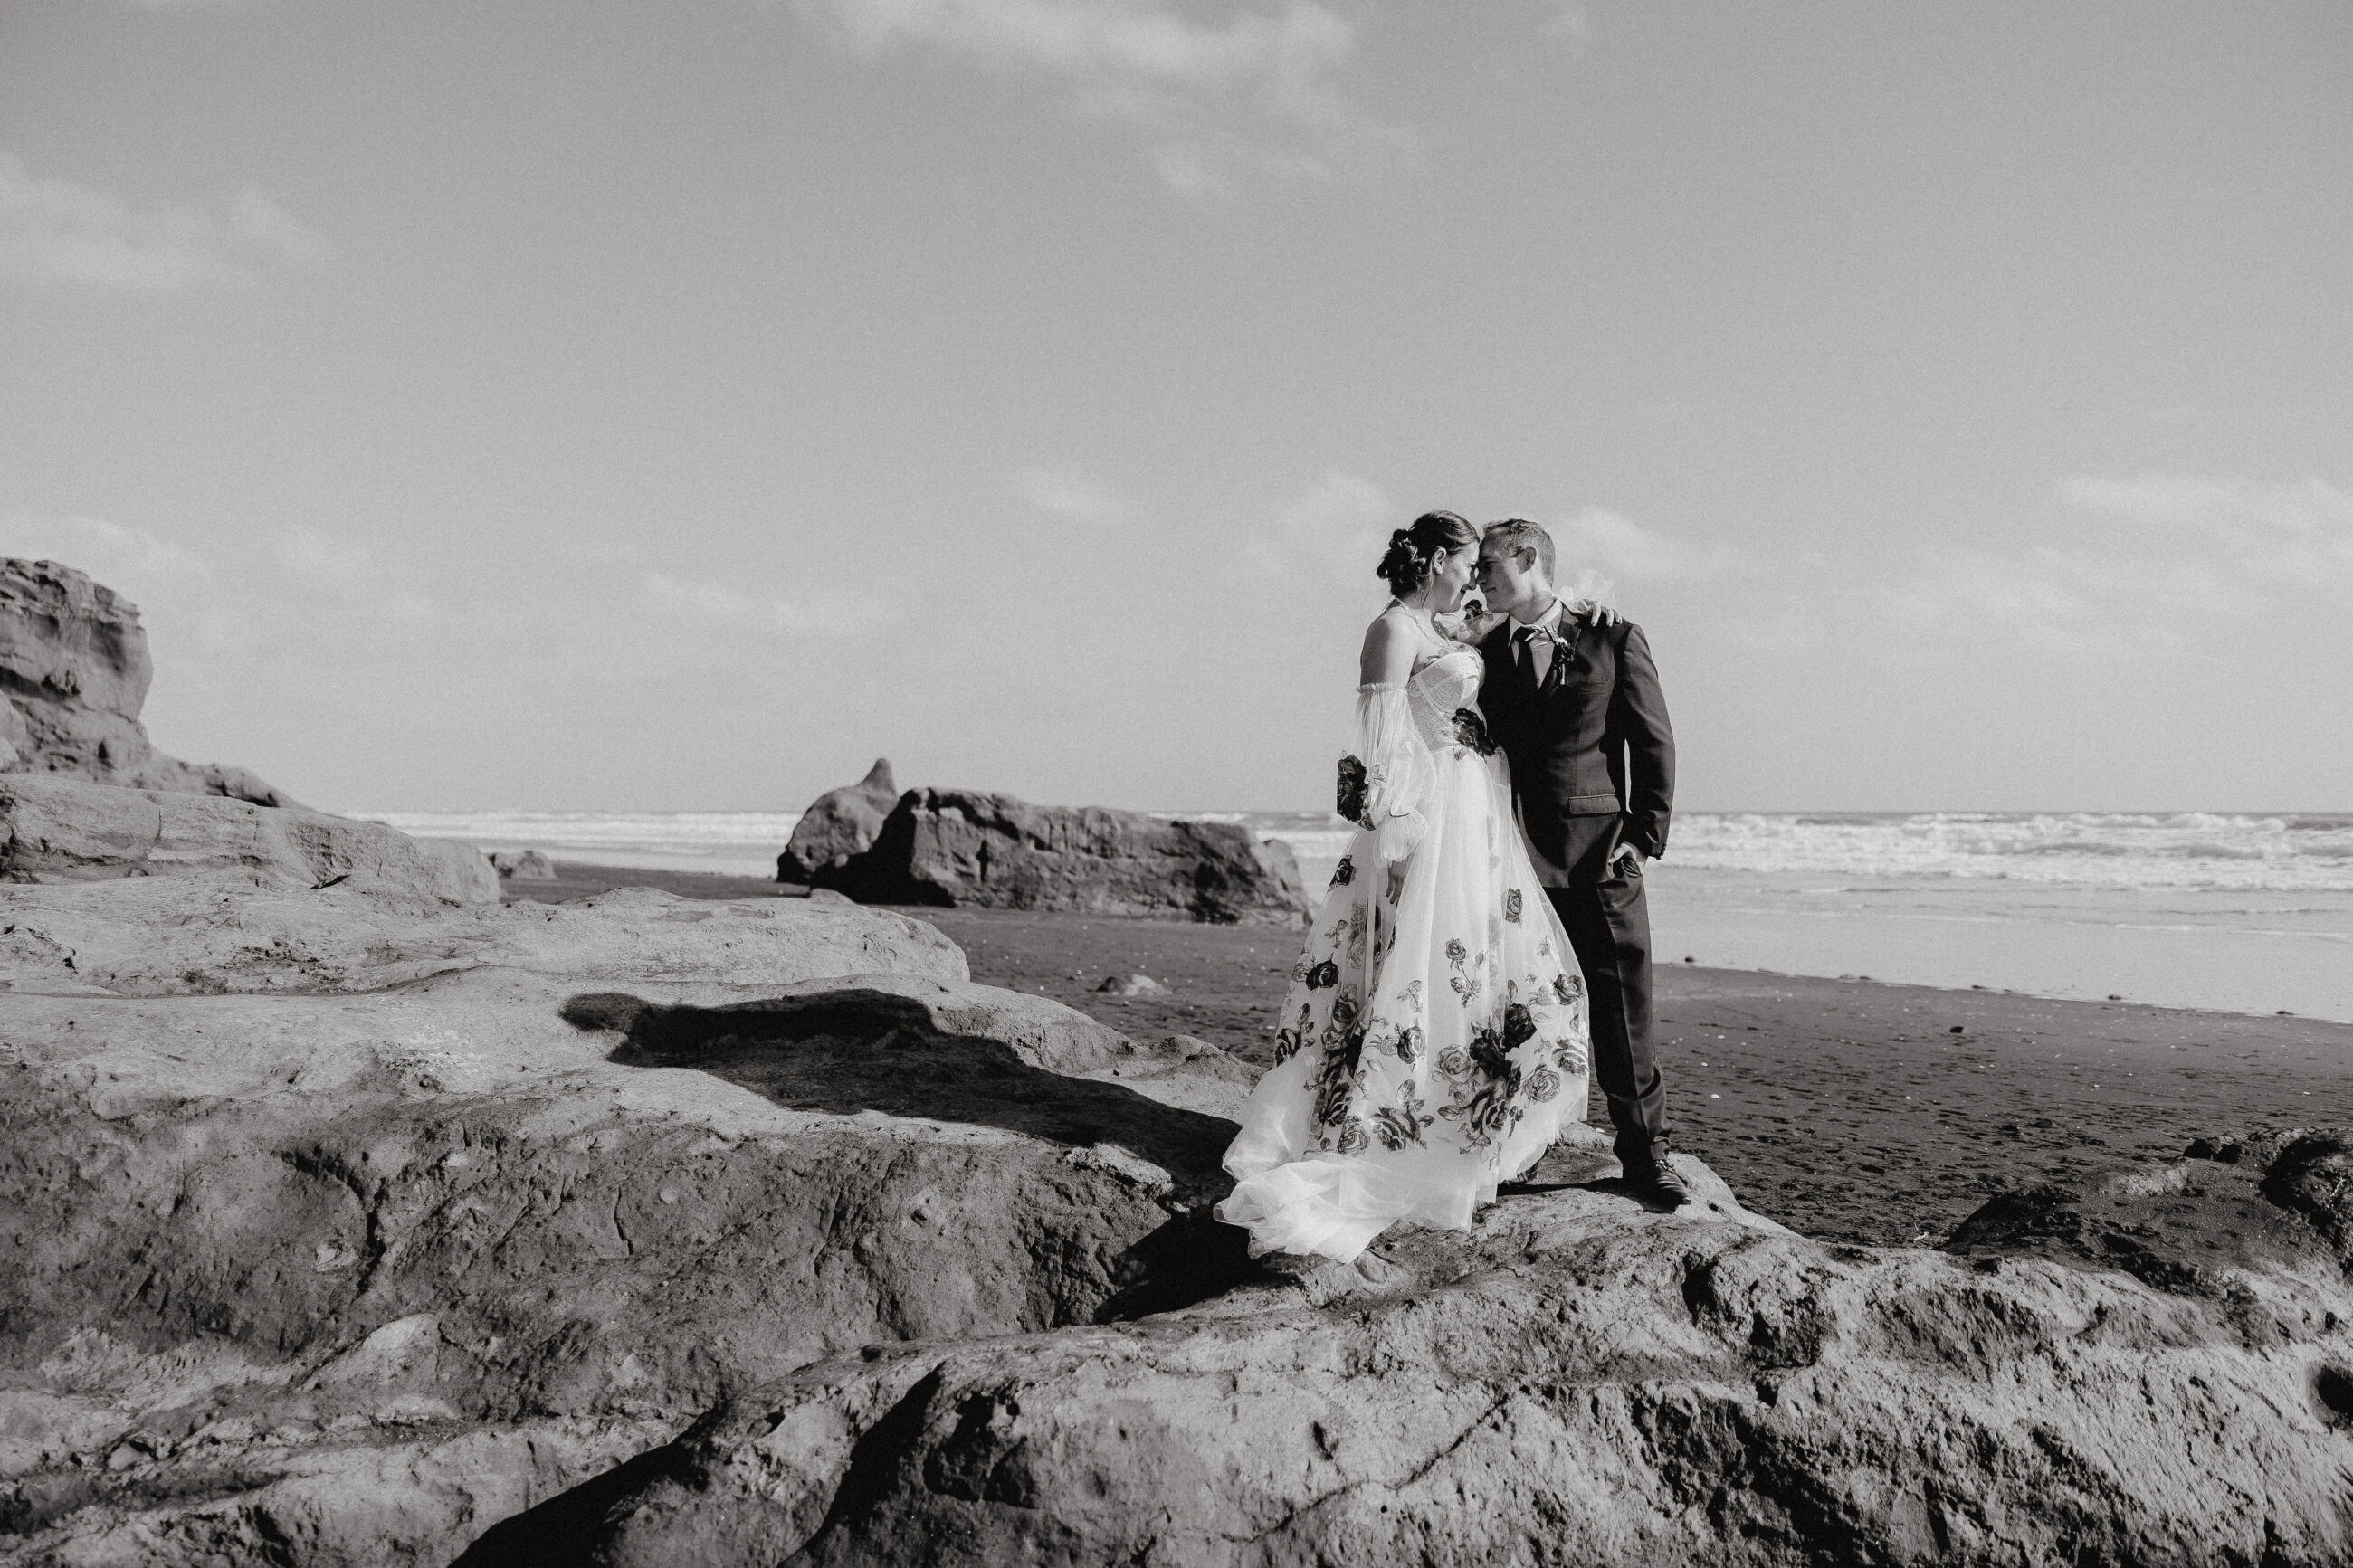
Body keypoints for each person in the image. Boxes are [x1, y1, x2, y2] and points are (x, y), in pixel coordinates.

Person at [1215, 511, 1596, 1264]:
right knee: (1413, 965)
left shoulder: (1449, 625)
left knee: (1473, 966)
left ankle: (1459, 1123)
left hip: (1475, 812)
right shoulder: (1391, 630)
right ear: (1434, 561)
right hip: (1427, 820)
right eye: (1464, 562)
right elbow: (1377, 741)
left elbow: (1527, 616)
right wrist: (1393, 835)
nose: (1473, 575)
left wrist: (1576, 610)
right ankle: (1391, 1130)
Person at [1473, 518, 1688, 1207]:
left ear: (1530, 559)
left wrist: (1645, 836)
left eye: (1489, 566)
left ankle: (1646, 1156)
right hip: (1516, 860)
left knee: (1625, 1011)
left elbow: (1653, 741)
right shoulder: (1487, 653)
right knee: (1519, 1010)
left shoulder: (1611, 635)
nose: (1479, 578)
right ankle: (1517, 1146)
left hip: (1601, 856)